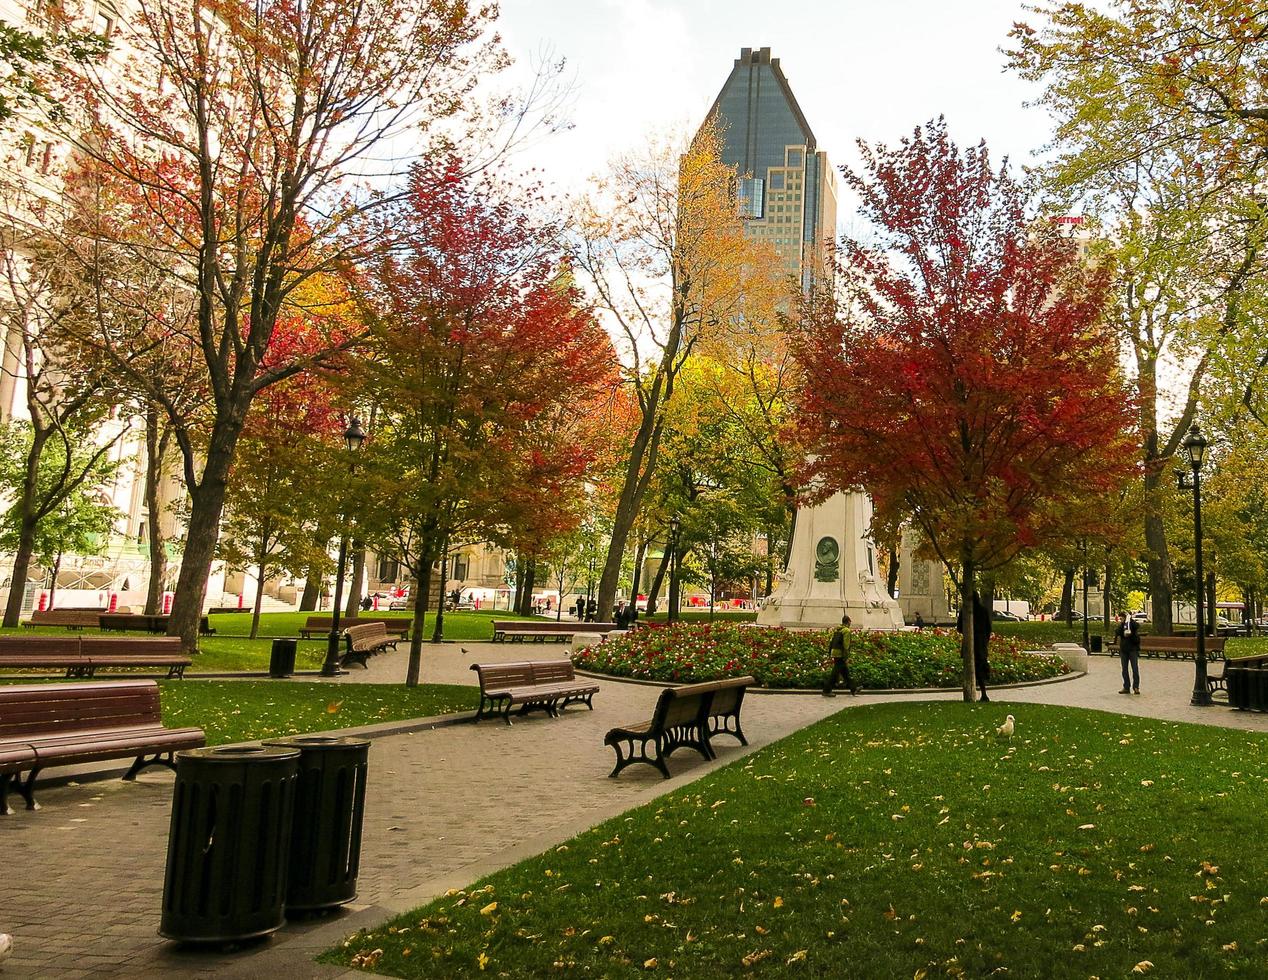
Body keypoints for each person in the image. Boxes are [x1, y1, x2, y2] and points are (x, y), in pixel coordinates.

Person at [957, 592, 992, 701]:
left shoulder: (965, 610)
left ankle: (970, 691)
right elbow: (988, 628)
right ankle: (983, 692)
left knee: (969, 667)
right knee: (980, 668)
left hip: (970, 642)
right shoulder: (983, 610)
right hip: (981, 643)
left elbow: (959, 628)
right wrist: (985, 640)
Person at [822, 614, 859, 696]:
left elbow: (832, 641)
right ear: (848, 622)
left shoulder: (837, 630)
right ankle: (826, 690)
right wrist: (846, 657)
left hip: (834, 652)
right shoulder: (846, 631)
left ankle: (853, 689)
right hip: (840, 653)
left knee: (845, 672)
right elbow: (846, 645)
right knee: (835, 673)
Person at [1115, 610, 1141, 694]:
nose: (1120, 619)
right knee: (1124, 669)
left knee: (1135, 669)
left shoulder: (1132, 624)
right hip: (1124, 650)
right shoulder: (1122, 625)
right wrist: (1123, 624)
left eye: (1122, 618)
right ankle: (1126, 687)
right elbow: (1117, 632)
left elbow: (1137, 626)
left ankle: (1136, 687)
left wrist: (1129, 620)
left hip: (1132, 649)